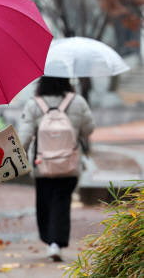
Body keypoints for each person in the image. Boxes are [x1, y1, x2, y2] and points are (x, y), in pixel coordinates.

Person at [18, 76, 94, 262]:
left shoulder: (34, 103)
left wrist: (19, 158)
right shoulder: (78, 101)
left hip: (42, 164)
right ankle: (56, 242)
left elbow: (24, 136)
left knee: (44, 201)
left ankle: (48, 239)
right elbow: (88, 129)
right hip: (69, 163)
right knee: (62, 201)